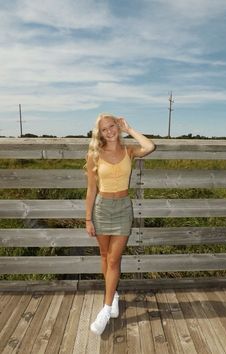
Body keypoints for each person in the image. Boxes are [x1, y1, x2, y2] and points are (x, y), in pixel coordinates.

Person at [85, 113, 155, 335]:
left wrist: (130, 129)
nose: (109, 131)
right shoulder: (93, 155)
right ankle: (113, 295)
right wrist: (88, 218)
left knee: (114, 259)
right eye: (104, 129)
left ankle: (105, 310)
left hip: (123, 208)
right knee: (105, 257)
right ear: (100, 133)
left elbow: (150, 146)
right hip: (102, 208)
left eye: (112, 126)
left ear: (118, 126)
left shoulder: (129, 151)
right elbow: (91, 189)